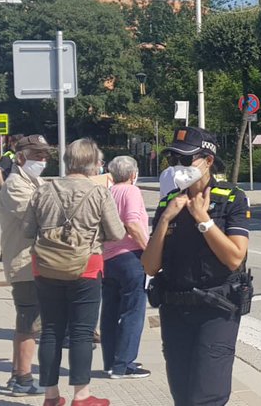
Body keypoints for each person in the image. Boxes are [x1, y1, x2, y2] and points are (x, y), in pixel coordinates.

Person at [141, 127, 253, 406]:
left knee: (207, 396)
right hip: (176, 310)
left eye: (186, 159)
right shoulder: (169, 201)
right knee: (183, 395)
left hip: (216, 308)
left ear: (208, 160)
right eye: (174, 159)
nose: (179, 166)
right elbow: (150, 266)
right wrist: (165, 220)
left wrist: (203, 220)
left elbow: (235, 257)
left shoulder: (231, 199)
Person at [24, 138, 125, 406]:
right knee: (81, 332)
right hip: (86, 268)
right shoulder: (99, 193)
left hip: (45, 267)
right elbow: (117, 233)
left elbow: (26, 231)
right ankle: (81, 397)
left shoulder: (43, 190)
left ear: (67, 161)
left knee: (50, 330)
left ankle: (51, 397)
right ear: (93, 164)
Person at [0, 135, 51, 397]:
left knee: (27, 322)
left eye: (44, 156)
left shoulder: (34, 181)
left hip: (33, 262)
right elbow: (41, 214)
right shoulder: (16, 185)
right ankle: (22, 378)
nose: (42, 160)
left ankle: (18, 375)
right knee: (29, 322)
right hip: (24, 264)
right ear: (20, 158)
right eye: (36, 155)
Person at [102, 156, 151, 379]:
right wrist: (149, 251)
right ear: (133, 175)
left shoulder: (108, 192)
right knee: (133, 311)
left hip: (108, 257)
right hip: (130, 256)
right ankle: (125, 365)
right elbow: (132, 222)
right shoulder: (131, 191)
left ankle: (111, 361)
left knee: (110, 311)